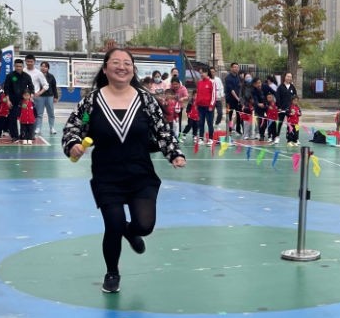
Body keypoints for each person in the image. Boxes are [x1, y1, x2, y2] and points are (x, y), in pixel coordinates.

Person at [62, 48, 185, 295]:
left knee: (145, 226)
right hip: (107, 175)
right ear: (105, 68)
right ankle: (112, 272)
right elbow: (75, 126)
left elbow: (162, 131)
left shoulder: (146, 99)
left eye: (127, 63)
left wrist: (174, 153)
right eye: (115, 62)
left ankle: (132, 233)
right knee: (114, 224)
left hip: (140, 173)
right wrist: (73, 144)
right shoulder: (92, 101)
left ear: (133, 69)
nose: (122, 67)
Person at [4, 58, 34, 142]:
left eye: (20, 66)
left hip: (23, 102)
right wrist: (8, 100)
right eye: (17, 66)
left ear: (23, 66)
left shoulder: (27, 76)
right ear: (14, 66)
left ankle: (25, 134)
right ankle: (14, 136)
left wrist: (31, 97)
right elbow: (6, 88)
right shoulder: (10, 76)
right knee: (12, 118)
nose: (18, 68)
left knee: (24, 118)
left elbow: (31, 87)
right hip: (13, 101)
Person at [193, 63, 217, 145]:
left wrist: (211, 105)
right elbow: (198, 94)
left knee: (210, 123)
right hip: (200, 107)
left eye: (202, 72)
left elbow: (214, 95)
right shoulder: (199, 83)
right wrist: (196, 104)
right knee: (201, 123)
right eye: (200, 73)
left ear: (206, 72)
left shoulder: (212, 82)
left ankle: (210, 139)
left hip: (208, 107)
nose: (201, 74)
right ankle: (201, 138)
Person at [36, 60, 59, 135]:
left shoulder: (51, 76)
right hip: (40, 97)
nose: (43, 68)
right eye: (42, 66)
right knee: (39, 113)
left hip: (49, 96)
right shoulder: (37, 75)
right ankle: (38, 128)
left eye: (45, 67)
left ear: (48, 68)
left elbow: (54, 87)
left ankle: (52, 127)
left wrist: (55, 96)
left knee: (51, 113)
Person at [276, 72, 297, 141]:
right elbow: (277, 97)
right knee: (280, 123)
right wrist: (279, 107)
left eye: (290, 77)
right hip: (282, 109)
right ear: (285, 77)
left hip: (290, 109)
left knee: (291, 124)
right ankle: (277, 136)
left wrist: (294, 108)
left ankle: (291, 138)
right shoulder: (280, 87)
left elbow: (295, 98)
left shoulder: (292, 87)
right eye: (288, 76)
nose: (289, 78)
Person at [225, 62, 242, 135]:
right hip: (230, 100)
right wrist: (237, 98)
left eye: (237, 67)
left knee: (239, 115)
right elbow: (232, 90)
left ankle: (238, 129)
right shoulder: (228, 78)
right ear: (231, 68)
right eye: (234, 67)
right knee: (230, 115)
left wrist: (240, 98)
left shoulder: (239, 78)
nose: (236, 68)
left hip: (238, 101)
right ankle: (229, 130)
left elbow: (240, 88)